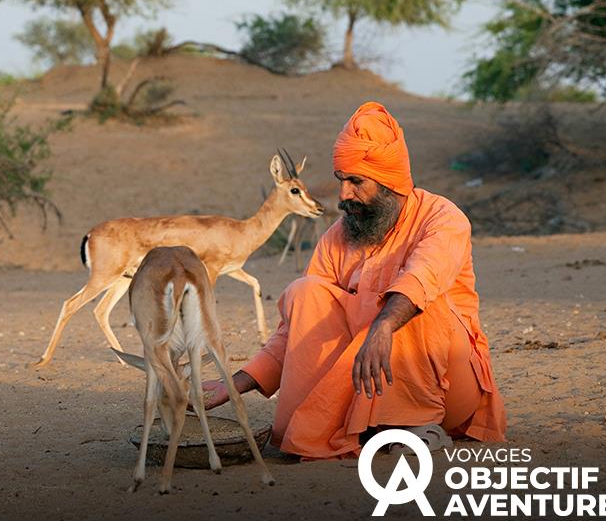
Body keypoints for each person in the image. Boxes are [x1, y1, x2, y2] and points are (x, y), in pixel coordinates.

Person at [202, 101, 506, 458]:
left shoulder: (442, 218)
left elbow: (424, 275)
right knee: (306, 292)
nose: (344, 195)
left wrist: (382, 326)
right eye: (341, 181)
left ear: (389, 182)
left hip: (448, 387)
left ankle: (417, 425)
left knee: (412, 302)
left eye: (356, 182)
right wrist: (236, 383)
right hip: (369, 382)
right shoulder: (337, 236)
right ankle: (355, 425)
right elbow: (297, 327)